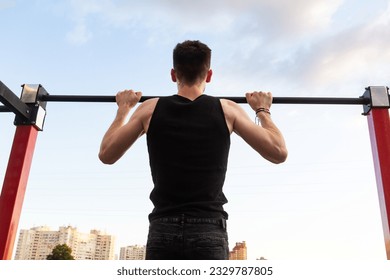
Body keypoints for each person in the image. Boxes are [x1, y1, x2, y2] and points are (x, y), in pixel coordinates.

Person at [99, 40, 287, 260]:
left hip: (163, 229)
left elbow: (107, 153)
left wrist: (124, 109)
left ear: (173, 74)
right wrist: (262, 110)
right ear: (209, 75)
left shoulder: (149, 109)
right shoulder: (227, 109)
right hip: (208, 229)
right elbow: (278, 151)